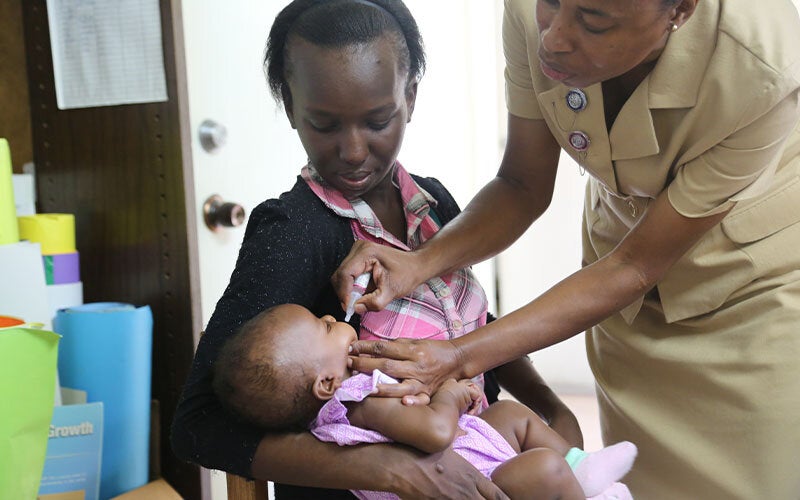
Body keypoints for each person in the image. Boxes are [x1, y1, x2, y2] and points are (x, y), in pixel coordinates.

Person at [333, 0, 800, 498]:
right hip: (621, 282)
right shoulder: (530, 10)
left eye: (594, 20)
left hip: (750, 291)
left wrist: (460, 356)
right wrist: (417, 263)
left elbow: (636, 265)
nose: (553, 37)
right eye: (550, 4)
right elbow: (520, 184)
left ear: (680, 10)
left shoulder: (765, 64)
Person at [171, 1, 585, 498]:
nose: (353, 150)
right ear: (289, 105)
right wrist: (391, 469)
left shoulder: (434, 204)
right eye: (324, 125)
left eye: (378, 120)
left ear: (409, 97)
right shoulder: (294, 231)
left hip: (485, 458)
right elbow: (198, 426)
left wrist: (548, 405)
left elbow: (475, 328)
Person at [212, 303, 638, 500]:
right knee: (544, 467)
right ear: (325, 383)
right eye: (324, 327)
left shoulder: (347, 398)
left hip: (468, 452)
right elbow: (433, 433)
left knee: (508, 413)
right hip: (470, 481)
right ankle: (586, 492)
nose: (332, 319)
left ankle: (585, 469)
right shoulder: (355, 400)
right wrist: (450, 394)